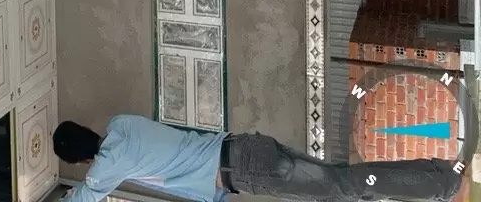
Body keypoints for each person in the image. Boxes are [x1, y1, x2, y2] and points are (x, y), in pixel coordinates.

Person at [52, 115, 462, 202]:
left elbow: (84, 198)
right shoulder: (121, 124)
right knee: (344, 179)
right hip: (248, 146)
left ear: (81, 161)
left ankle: (442, 183)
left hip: (243, 170)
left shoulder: (108, 165)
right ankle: (436, 173)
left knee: (345, 187)